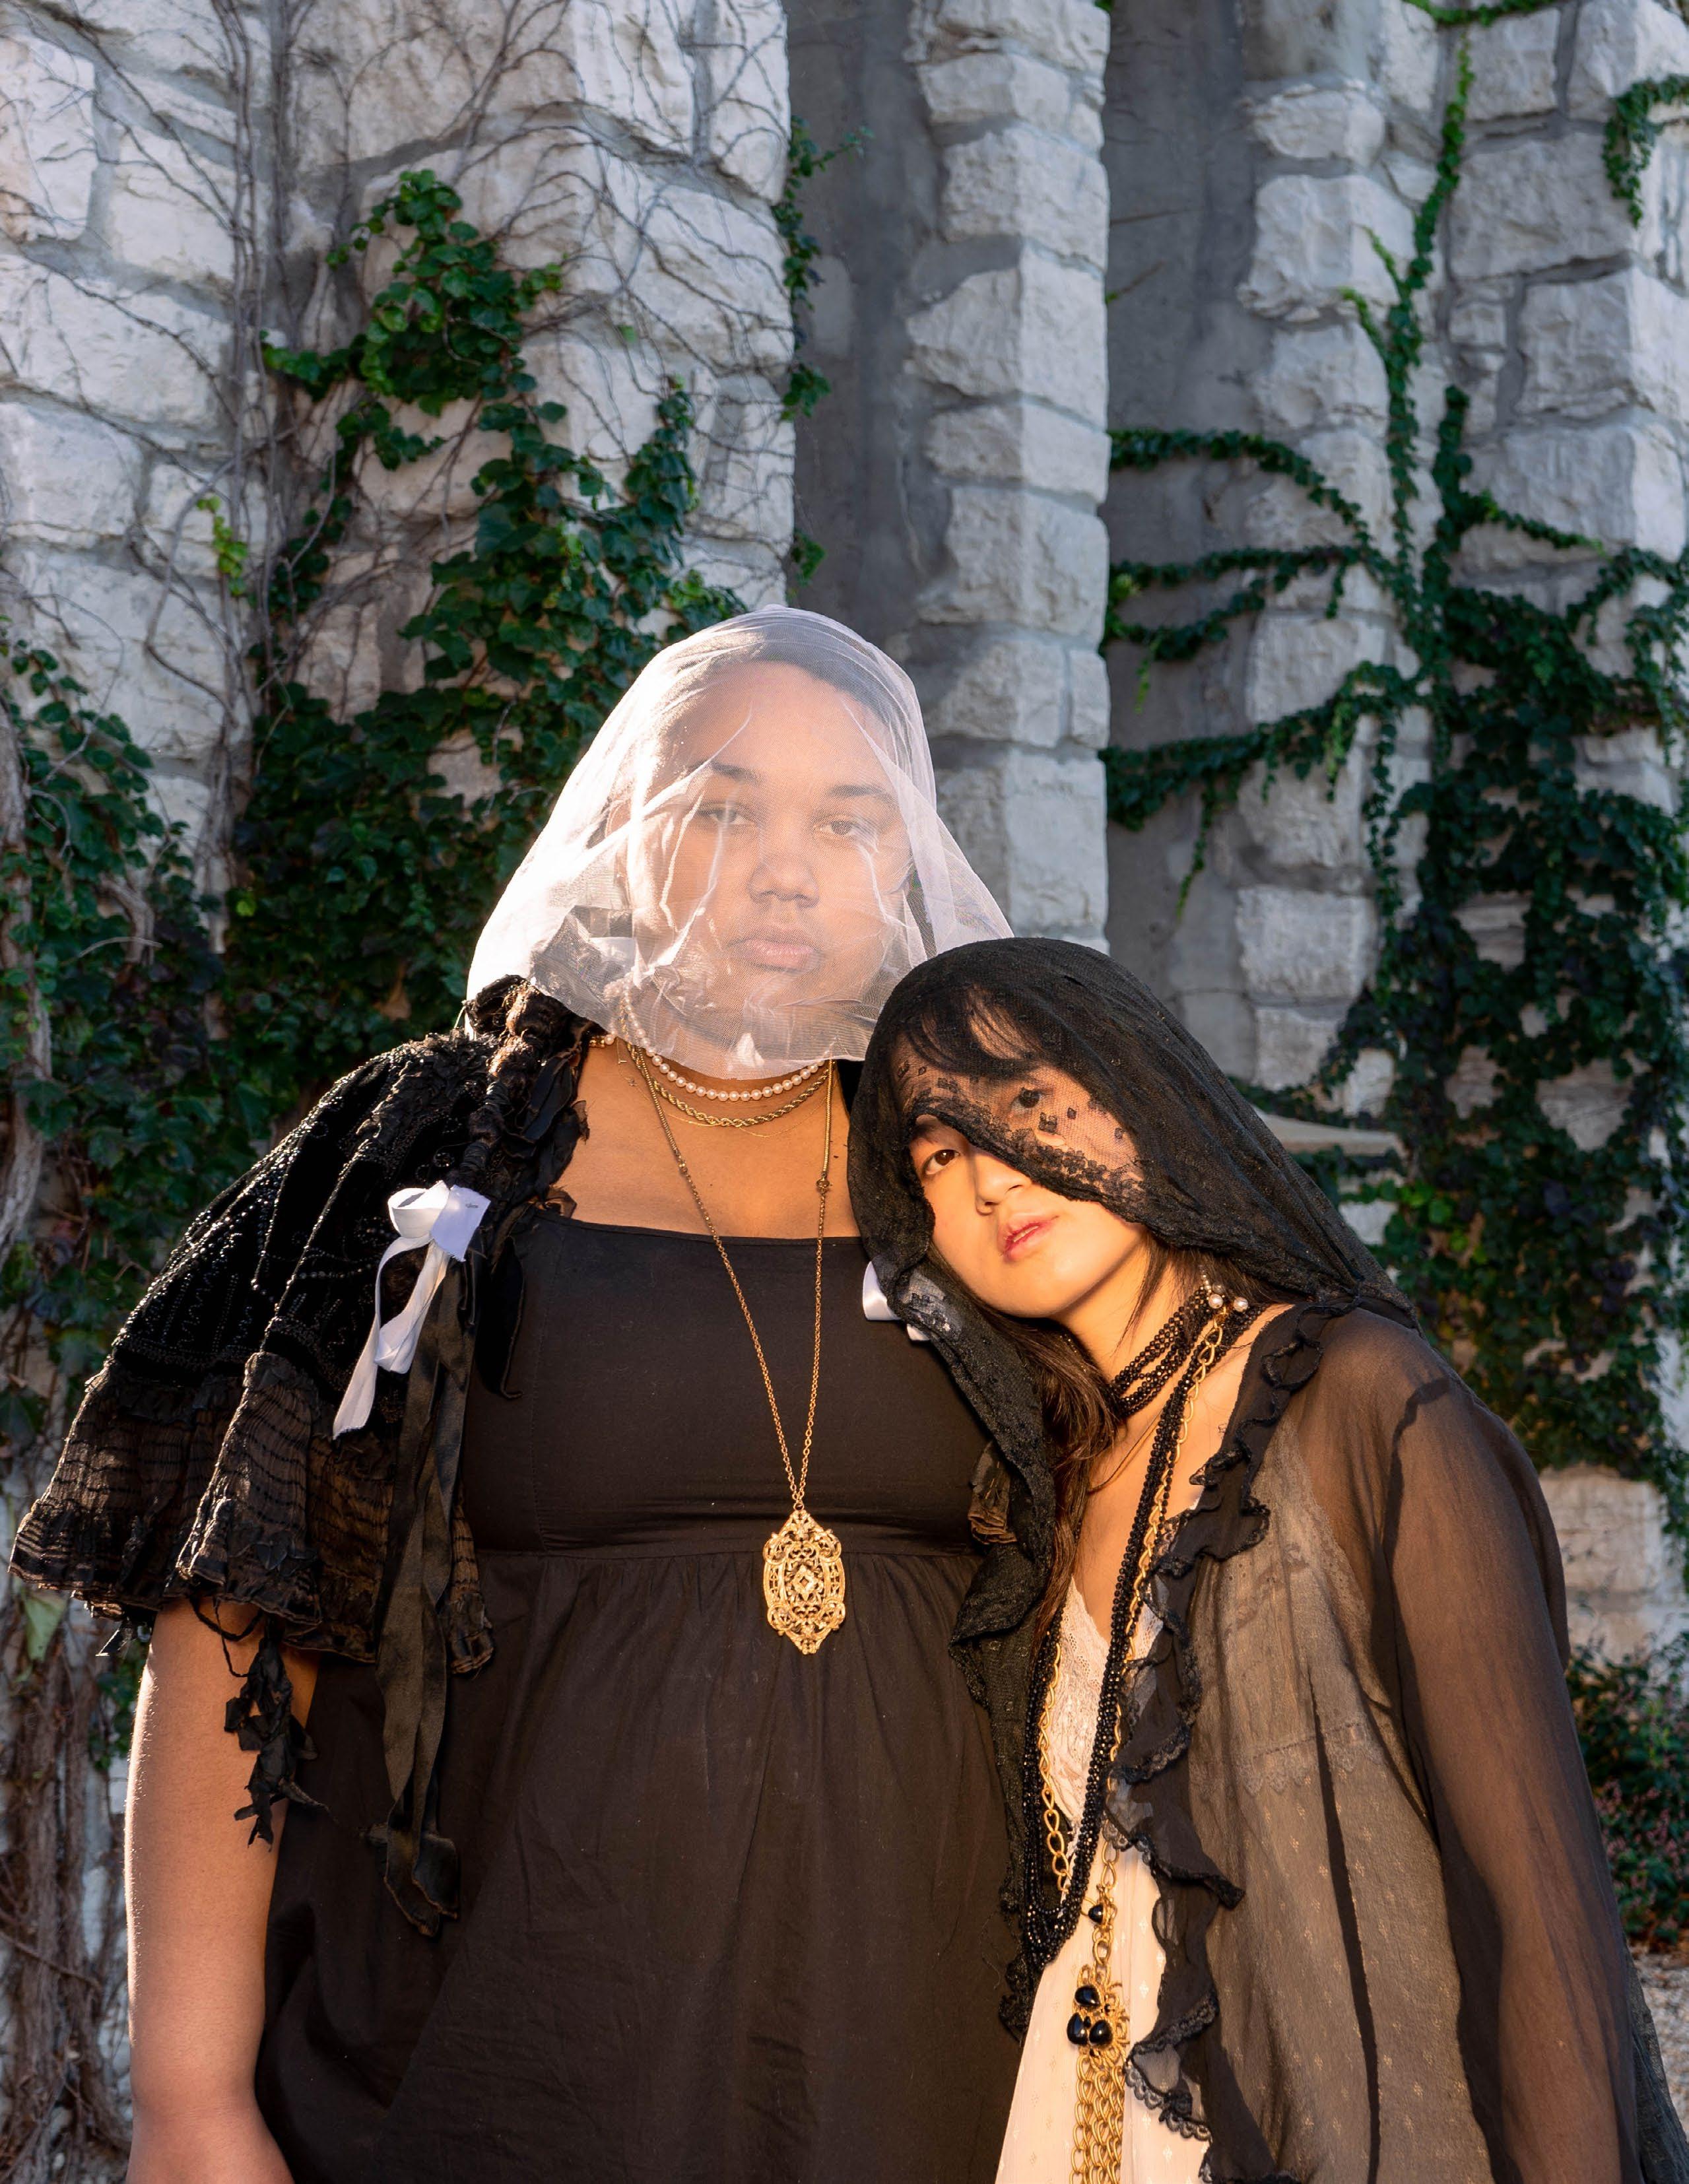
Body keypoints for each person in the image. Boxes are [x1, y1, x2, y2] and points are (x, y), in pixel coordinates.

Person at [11, 607, 1023, 2184]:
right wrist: (191, 2101)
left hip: (930, 2046)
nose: (787, 866)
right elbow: (235, 1620)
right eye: (721, 806)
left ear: (906, 858)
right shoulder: (442, 1148)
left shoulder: (990, 1169)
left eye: (848, 819)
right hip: (501, 2055)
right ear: (622, 828)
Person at [845, 937, 1689, 2184]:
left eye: (1027, 1100)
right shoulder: (1041, 1492)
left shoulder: (1362, 1401)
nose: (990, 1176)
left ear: (1138, 1087)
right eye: (937, 1155)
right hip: (1078, 2130)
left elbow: (1536, 1908)